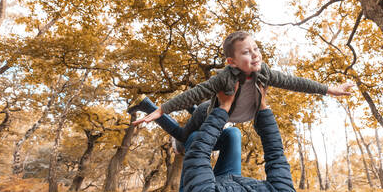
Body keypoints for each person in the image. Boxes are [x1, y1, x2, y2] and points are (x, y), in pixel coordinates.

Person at [130, 31, 353, 151]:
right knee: (182, 136)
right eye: (246, 52)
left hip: (217, 112)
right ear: (232, 62)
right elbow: (196, 92)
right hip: (208, 112)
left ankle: (174, 129)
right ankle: (151, 109)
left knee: (199, 117)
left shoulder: (264, 73)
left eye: (256, 49)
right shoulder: (224, 77)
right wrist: (162, 109)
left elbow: (294, 82)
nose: (255, 54)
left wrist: (329, 90)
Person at [176, 85, 315, 192]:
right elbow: (276, 155)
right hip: (229, 184)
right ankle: (194, 125)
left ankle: (180, 143)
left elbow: (198, 156)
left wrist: (223, 109)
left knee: (194, 139)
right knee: (233, 133)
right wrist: (262, 107)